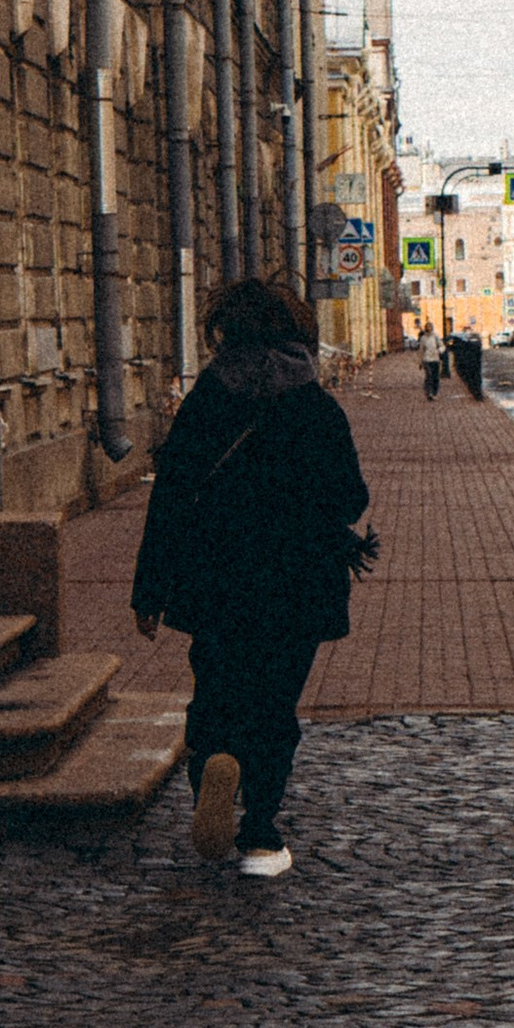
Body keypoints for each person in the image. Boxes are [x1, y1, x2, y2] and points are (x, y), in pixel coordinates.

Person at [131, 276, 370, 880]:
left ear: (225, 332)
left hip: (216, 582)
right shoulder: (315, 405)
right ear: (297, 334)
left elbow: (171, 496)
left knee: (215, 689)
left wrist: (149, 591)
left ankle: (214, 761)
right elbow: (348, 497)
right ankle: (261, 832)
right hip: (299, 584)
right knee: (274, 705)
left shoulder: (208, 399)